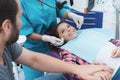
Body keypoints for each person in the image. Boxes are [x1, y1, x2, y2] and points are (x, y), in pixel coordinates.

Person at [0, 0, 114, 80]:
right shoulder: (67, 54)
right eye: (19, 18)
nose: (21, 24)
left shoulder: (8, 46)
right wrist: (45, 37)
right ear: (6, 26)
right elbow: (28, 35)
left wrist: (79, 69)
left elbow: (34, 59)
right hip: (35, 46)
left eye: (68, 27)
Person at [19, 0, 84, 80]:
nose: (69, 29)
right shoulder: (21, 3)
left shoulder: (68, 52)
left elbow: (60, 9)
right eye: (63, 31)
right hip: (33, 48)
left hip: (53, 45)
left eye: (68, 27)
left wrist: (70, 15)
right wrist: (45, 38)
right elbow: (25, 31)